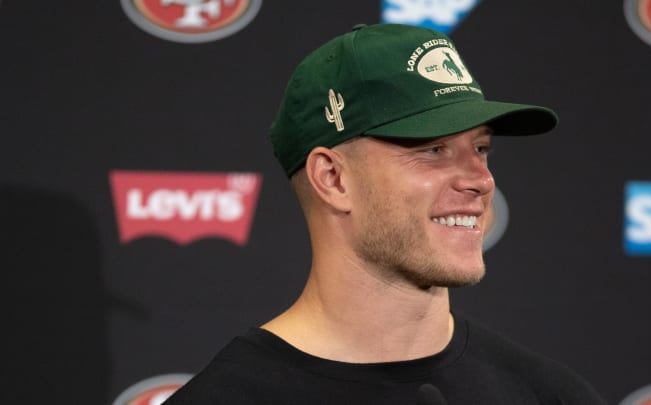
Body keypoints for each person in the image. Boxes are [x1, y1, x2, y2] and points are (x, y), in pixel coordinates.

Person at [164, 23, 606, 405]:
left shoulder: (549, 394)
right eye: (434, 149)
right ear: (333, 179)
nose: (481, 180)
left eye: (481, 149)